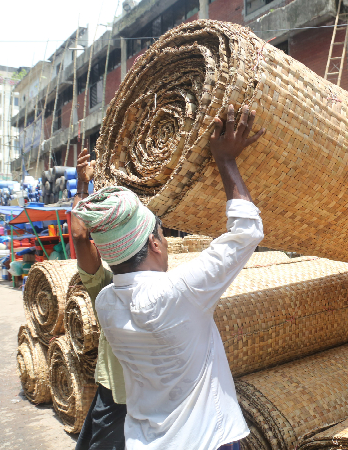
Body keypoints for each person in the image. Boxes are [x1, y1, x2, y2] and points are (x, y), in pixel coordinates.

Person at [72, 104, 265, 450]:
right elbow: (246, 232)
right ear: (154, 243)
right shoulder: (179, 293)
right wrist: (226, 160)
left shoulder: (106, 303)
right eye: (162, 233)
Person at [70, 147, 128, 450]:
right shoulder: (107, 287)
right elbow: (81, 236)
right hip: (118, 397)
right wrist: (83, 187)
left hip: (149, 398)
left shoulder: (167, 287)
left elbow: (82, 235)